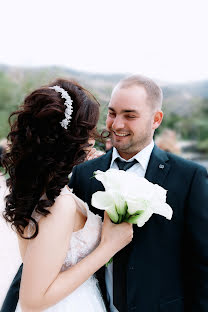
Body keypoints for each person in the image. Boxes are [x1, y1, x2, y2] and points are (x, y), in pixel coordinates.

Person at [68, 75, 208, 312]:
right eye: (112, 113)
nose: (117, 124)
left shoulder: (190, 177)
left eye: (130, 115)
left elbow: (203, 266)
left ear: (156, 119)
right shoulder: (84, 174)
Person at [1, 79, 133, 312]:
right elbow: (32, 301)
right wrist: (108, 247)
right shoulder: (59, 204)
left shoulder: (40, 187)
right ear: (74, 138)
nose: (93, 138)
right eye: (89, 130)